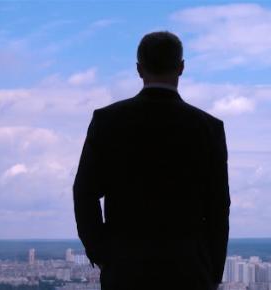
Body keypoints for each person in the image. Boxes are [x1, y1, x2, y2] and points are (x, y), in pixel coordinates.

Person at [73, 31, 230, 290]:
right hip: (189, 270)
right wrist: (212, 272)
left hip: (125, 269)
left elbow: (84, 193)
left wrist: (102, 254)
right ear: (181, 67)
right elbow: (218, 207)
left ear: (139, 69)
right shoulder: (208, 128)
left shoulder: (108, 121)